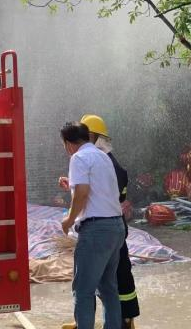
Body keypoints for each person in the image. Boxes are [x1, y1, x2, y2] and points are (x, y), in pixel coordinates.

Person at [60, 122, 125, 329]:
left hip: (96, 230)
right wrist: (72, 185)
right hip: (116, 227)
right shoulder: (103, 156)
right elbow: (97, 189)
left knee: (83, 290)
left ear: (68, 143)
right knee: (108, 288)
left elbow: (82, 193)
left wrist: (69, 220)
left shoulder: (78, 157)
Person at [79, 115, 140, 329]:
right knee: (111, 277)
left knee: (110, 278)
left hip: (105, 226)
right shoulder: (105, 160)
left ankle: (125, 320)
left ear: (93, 137)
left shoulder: (104, 162)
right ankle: (120, 319)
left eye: (84, 137)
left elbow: (104, 195)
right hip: (114, 226)